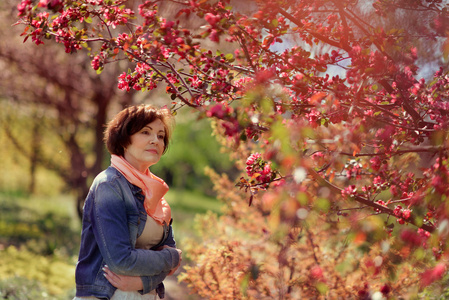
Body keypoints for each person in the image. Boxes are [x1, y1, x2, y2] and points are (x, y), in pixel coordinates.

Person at [73, 104, 182, 300]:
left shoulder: (155, 192)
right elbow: (121, 260)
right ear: (124, 139)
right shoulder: (109, 185)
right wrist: (171, 257)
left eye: (160, 136)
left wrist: (143, 281)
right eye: (145, 132)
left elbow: (171, 266)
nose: (155, 140)